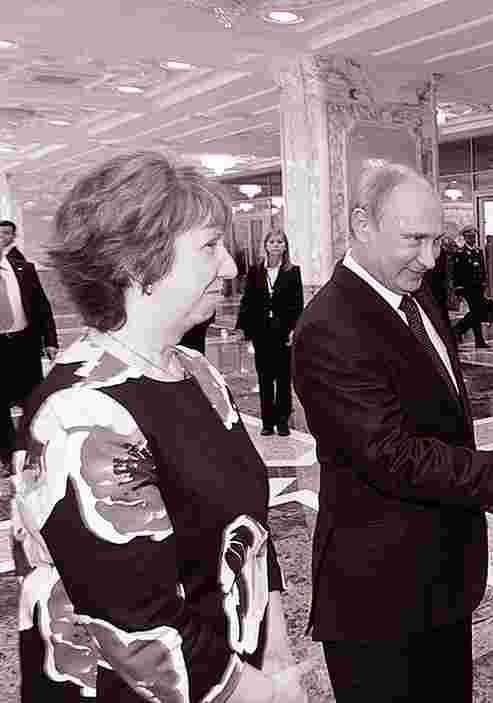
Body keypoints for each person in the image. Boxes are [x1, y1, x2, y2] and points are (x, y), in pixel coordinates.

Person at [11, 151, 311, 703]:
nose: (229, 267)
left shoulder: (197, 372)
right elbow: (138, 628)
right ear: (137, 265)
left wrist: (277, 655)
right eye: (210, 247)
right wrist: (261, 693)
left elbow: (250, 532)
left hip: (235, 667)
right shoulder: (80, 414)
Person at [291, 163, 493, 703]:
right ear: (362, 224)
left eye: (435, 241)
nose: (429, 259)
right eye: (414, 240)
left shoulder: (413, 294)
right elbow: (392, 456)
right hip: (379, 593)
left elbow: (443, 423)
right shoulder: (329, 325)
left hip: (442, 575)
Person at [0, 219, 57, 476]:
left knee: (34, 400)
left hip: (25, 345)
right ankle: (8, 457)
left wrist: (51, 341)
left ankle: (38, 452)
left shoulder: (24, 269)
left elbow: (42, 306)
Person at [236, 230, 304, 436]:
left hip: (283, 332)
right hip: (262, 332)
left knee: (283, 379)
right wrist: (244, 329)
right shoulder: (256, 271)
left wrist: (294, 329)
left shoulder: (293, 271)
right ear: (265, 245)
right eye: (272, 242)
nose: (276, 245)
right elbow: (248, 300)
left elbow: (297, 304)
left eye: (279, 242)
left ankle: (282, 421)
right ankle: (267, 422)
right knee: (265, 378)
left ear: (285, 246)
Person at [451, 226, 489, 349]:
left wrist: (484, 282)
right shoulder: (460, 253)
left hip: (479, 287)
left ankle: (457, 330)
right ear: (465, 238)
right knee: (476, 312)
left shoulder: (478, 251)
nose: (472, 239)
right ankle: (478, 340)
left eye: (473, 236)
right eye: (469, 237)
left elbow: (482, 269)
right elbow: (456, 272)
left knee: (477, 313)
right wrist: (458, 288)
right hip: (467, 288)